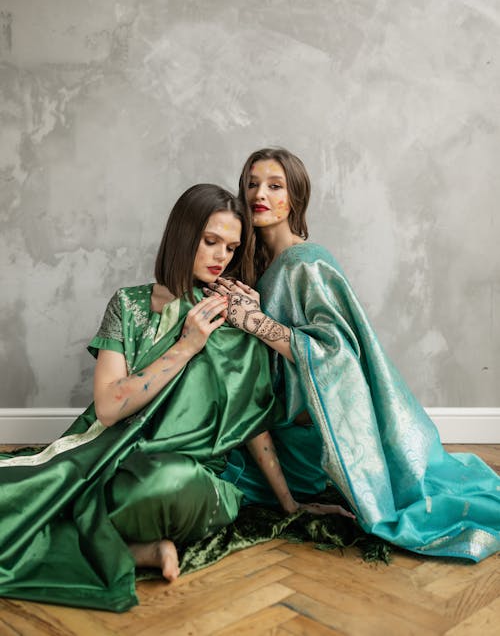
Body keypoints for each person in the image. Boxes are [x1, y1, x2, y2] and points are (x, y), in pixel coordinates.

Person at [0, 183, 298, 613]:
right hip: (110, 459)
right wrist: (187, 345)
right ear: (182, 235)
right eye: (210, 241)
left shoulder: (230, 313)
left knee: (164, 482)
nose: (221, 257)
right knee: (18, 498)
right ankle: (137, 548)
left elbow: (251, 421)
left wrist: (291, 505)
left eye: (231, 248)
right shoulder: (129, 304)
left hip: (187, 477)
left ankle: (110, 537)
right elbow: (107, 406)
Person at [206, 148, 500, 562]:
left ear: (296, 198)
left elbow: (337, 356)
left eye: (275, 186)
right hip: (265, 418)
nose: (260, 194)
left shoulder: (307, 263)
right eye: (252, 184)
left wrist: (253, 322)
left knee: (217, 474)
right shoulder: (253, 263)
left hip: (306, 433)